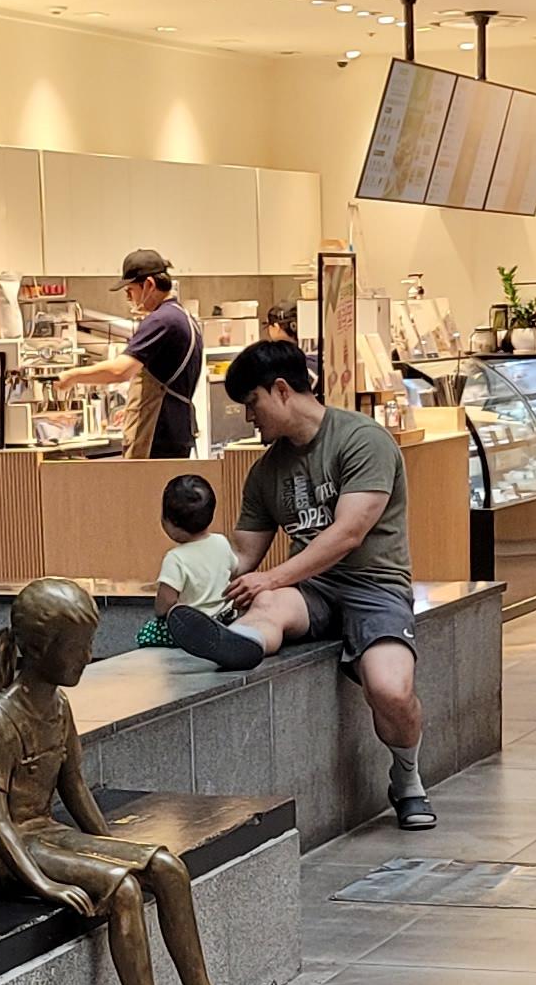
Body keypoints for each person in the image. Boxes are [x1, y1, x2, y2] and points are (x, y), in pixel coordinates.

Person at [0, 579, 282, 985]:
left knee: (166, 867)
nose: (88, 657)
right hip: (9, 856)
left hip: (46, 836)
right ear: (41, 650)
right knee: (123, 889)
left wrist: (119, 849)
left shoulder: (58, 707)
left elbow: (74, 787)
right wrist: (47, 887)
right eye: (79, 648)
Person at [166, 337, 436, 832]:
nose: (249, 418)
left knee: (390, 690)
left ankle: (407, 779)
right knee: (268, 602)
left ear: (282, 390)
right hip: (313, 590)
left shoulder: (363, 440)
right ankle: (238, 642)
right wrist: (197, 561)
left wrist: (271, 576)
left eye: (252, 403)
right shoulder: (265, 472)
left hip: (375, 586)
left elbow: (348, 533)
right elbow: (244, 557)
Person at [49, 246, 203, 459]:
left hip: (156, 433)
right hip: (175, 429)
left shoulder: (160, 320)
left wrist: (71, 376)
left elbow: (120, 371)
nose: (130, 298)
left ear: (149, 285)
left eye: (130, 291)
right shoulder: (183, 317)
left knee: (146, 482)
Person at [141, 473, 240, 651]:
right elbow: (234, 570)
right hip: (225, 618)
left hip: (193, 627)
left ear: (170, 522)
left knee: (146, 633)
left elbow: (166, 602)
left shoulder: (175, 558)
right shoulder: (221, 542)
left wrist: (160, 612)